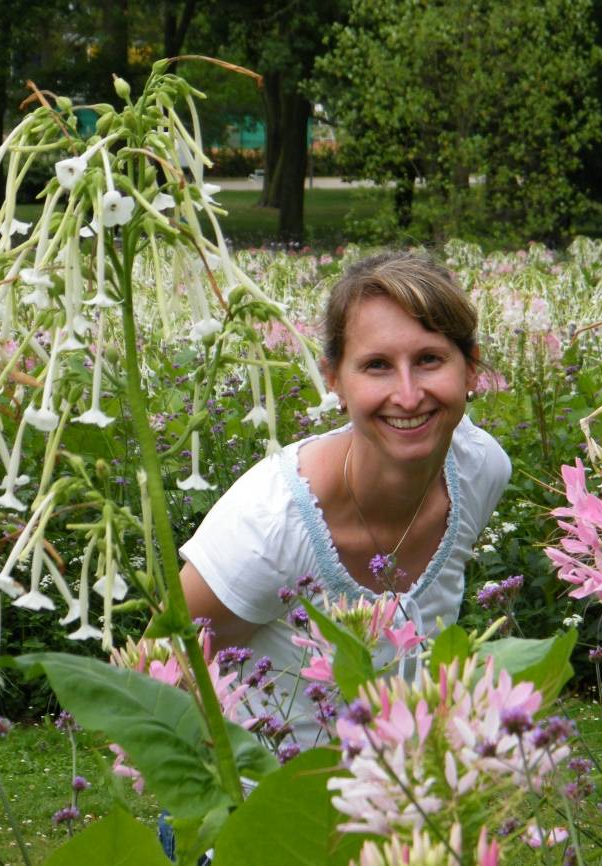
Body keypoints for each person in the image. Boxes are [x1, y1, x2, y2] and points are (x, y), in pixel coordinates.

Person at [179, 251, 511, 748]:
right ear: (334, 380)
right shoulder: (269, 523)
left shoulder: (480, 470)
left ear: (470, 369)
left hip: (410, 785)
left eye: (429, 359)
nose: (408, 395)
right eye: (377, 366)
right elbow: (160, 677)